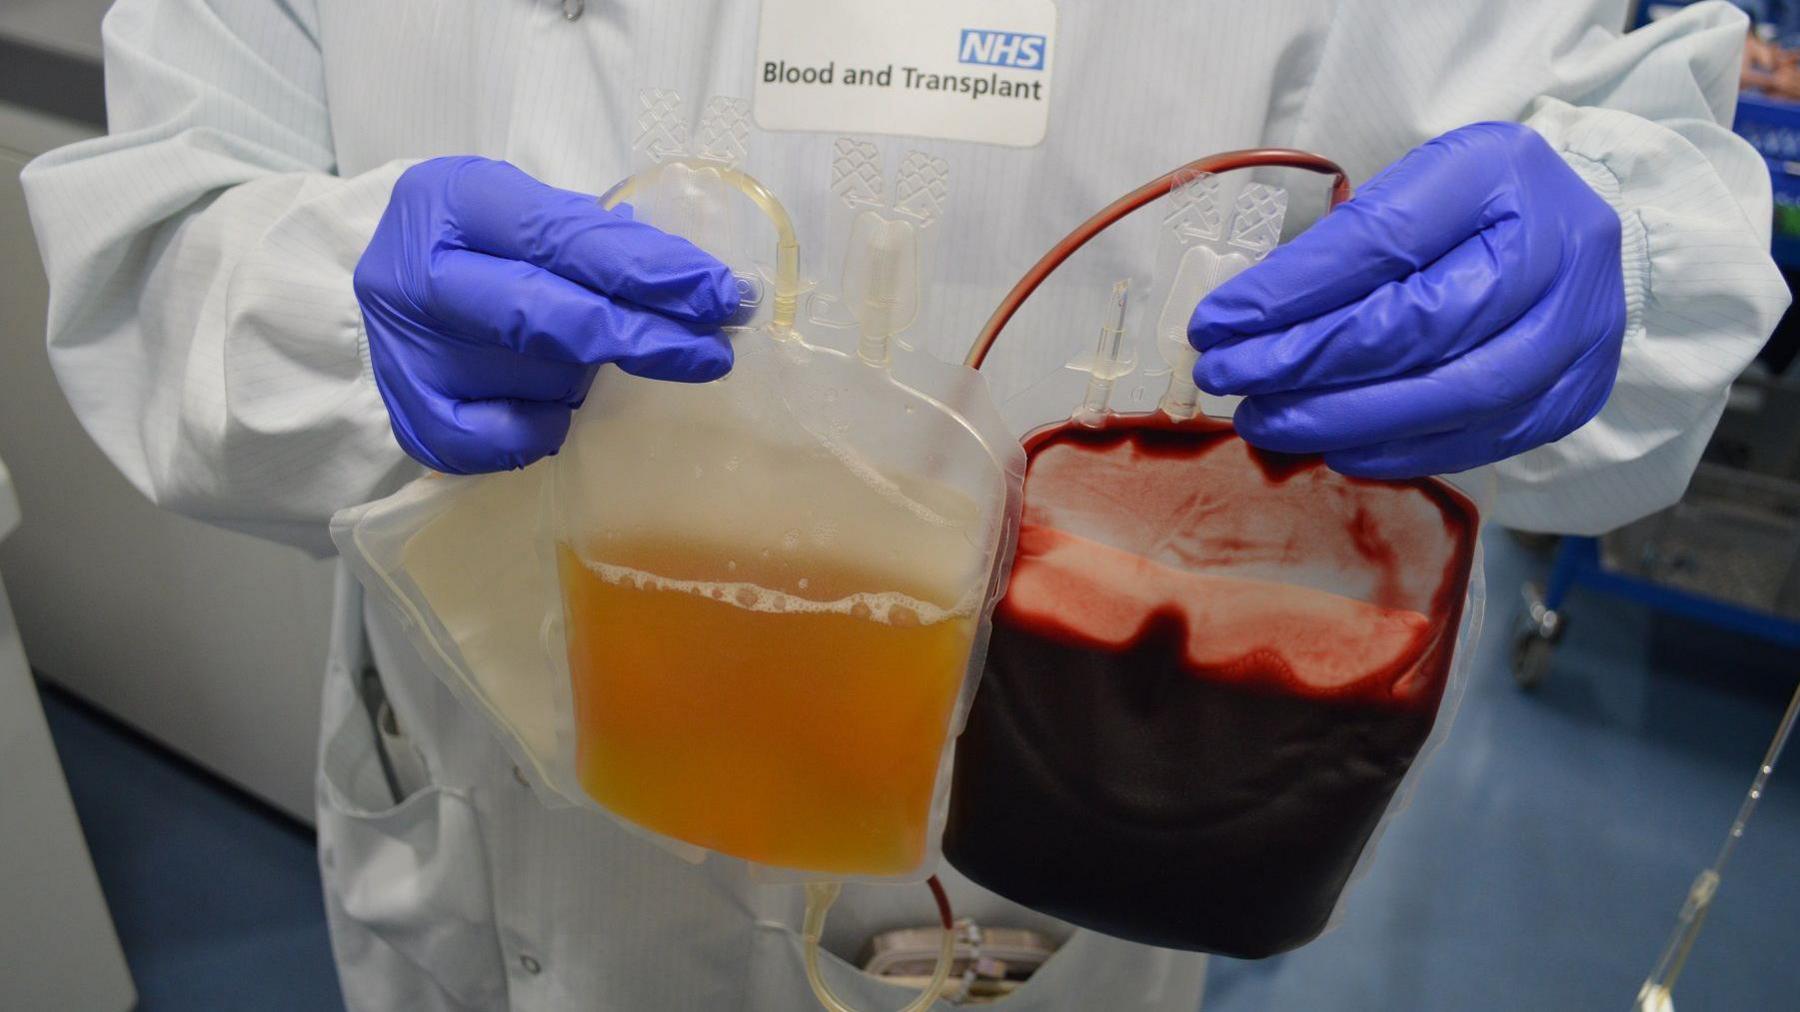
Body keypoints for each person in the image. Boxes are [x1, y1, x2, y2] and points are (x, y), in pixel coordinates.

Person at [20, 1, 1787, 1009]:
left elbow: (1621, 158)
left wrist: (1610, 255)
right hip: (494, 842)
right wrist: (332, 304)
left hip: (1012, 862)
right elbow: (163, 224)